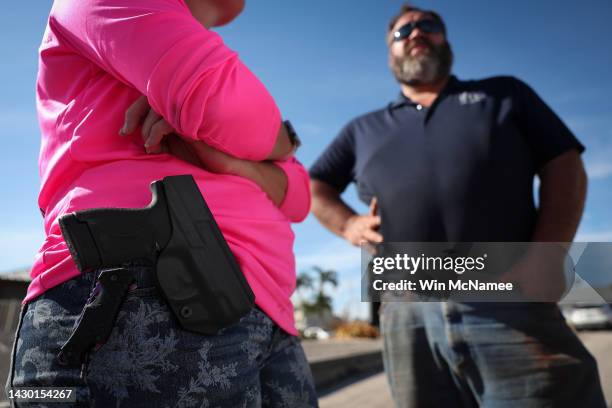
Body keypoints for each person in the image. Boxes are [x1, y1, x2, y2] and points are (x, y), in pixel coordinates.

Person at [5, 0, 318, 407]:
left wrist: (237, 160)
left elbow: (299, 194)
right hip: (144, 289)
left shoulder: (201, 55)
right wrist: (265, 137)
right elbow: (220, 102)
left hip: (269, 316)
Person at [309, 4, 606, 407]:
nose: (415, 34)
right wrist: (347, 225)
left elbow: (564, 162)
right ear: (390, 53)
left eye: (427, 26)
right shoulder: (362, 129)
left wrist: (548, 254)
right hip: (405, 311)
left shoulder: (504, 94)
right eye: (402, 32)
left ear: (445, 40)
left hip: (507, 295)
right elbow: (314, 186)